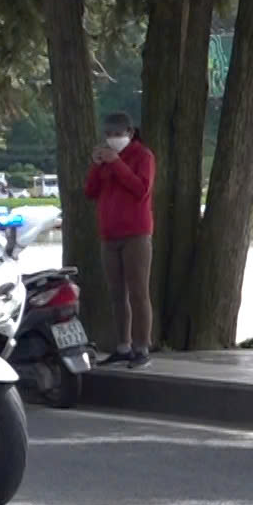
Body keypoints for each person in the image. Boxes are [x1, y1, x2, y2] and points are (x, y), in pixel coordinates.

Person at [85, 111, 156, 368]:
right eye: (108, 134)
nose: (113, 139)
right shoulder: (105, 159)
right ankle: (123, 345)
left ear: (130, 133)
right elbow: (90, 191)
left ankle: (142, 347)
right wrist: (97, 165)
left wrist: (116, 163)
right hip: (109, 234)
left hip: (136, 233)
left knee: (138, 292)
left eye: (118, 134)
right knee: (117, 293)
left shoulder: (143, 156)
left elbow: (141, 189)